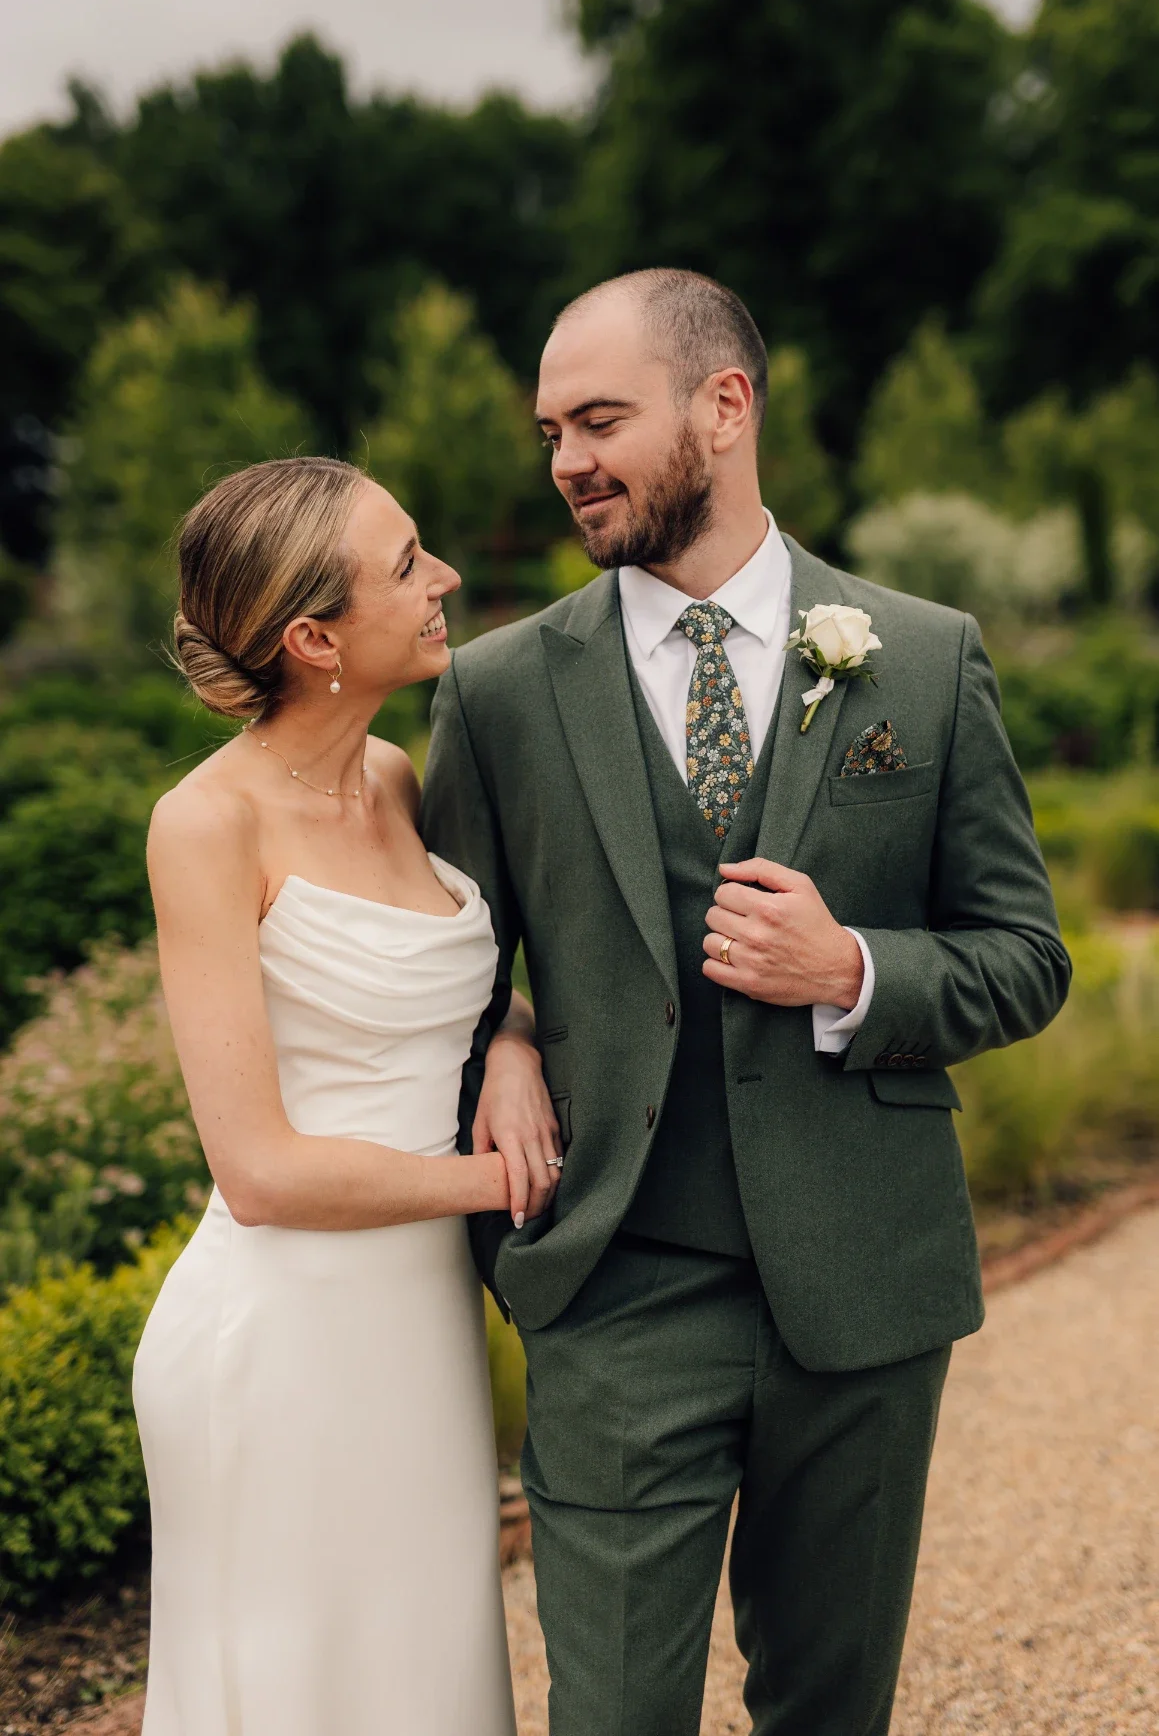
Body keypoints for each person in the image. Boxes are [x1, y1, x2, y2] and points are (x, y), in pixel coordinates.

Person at [420, 268, 1071, 1736]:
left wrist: (851, 970)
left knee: (827, 1711)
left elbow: (1022, 954)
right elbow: (446, 970)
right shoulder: (500, 692)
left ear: (723, 407)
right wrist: (507, 1036)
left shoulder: (920, 652)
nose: (565, 461)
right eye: (547, 432)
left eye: (596, 419)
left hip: (862, 1282)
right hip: (612, 1283)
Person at [133, 456, 561, 1736]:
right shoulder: (205, 827)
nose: (444, 580)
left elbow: (457, 998)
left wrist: (515, 1050)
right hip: (279, 1346)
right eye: (407, 564)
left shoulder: (389, 775)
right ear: (314, 636)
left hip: (419, 1331)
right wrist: (509, 1179)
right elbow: (258, 1173)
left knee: (425, 1678)